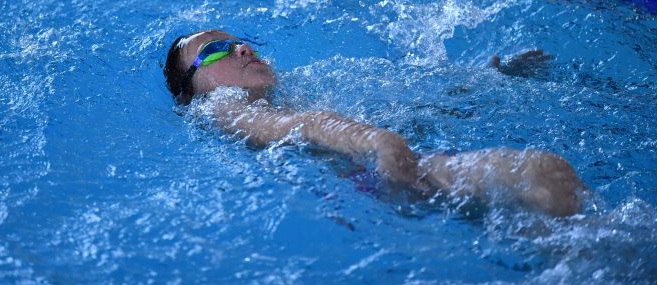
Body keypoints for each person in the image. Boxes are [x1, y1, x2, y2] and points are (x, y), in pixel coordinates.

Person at [163, 29, 584, 217]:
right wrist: (377, 140)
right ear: (190, 88)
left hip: (387, 166)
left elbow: (413, 109)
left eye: (239, 41)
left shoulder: (293, 93)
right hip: (373, 179)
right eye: (217, 49)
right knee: (543, 175)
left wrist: (484, 82)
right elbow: (305, 126)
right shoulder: (217, 106)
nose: (241, 49)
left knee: (549, 192)